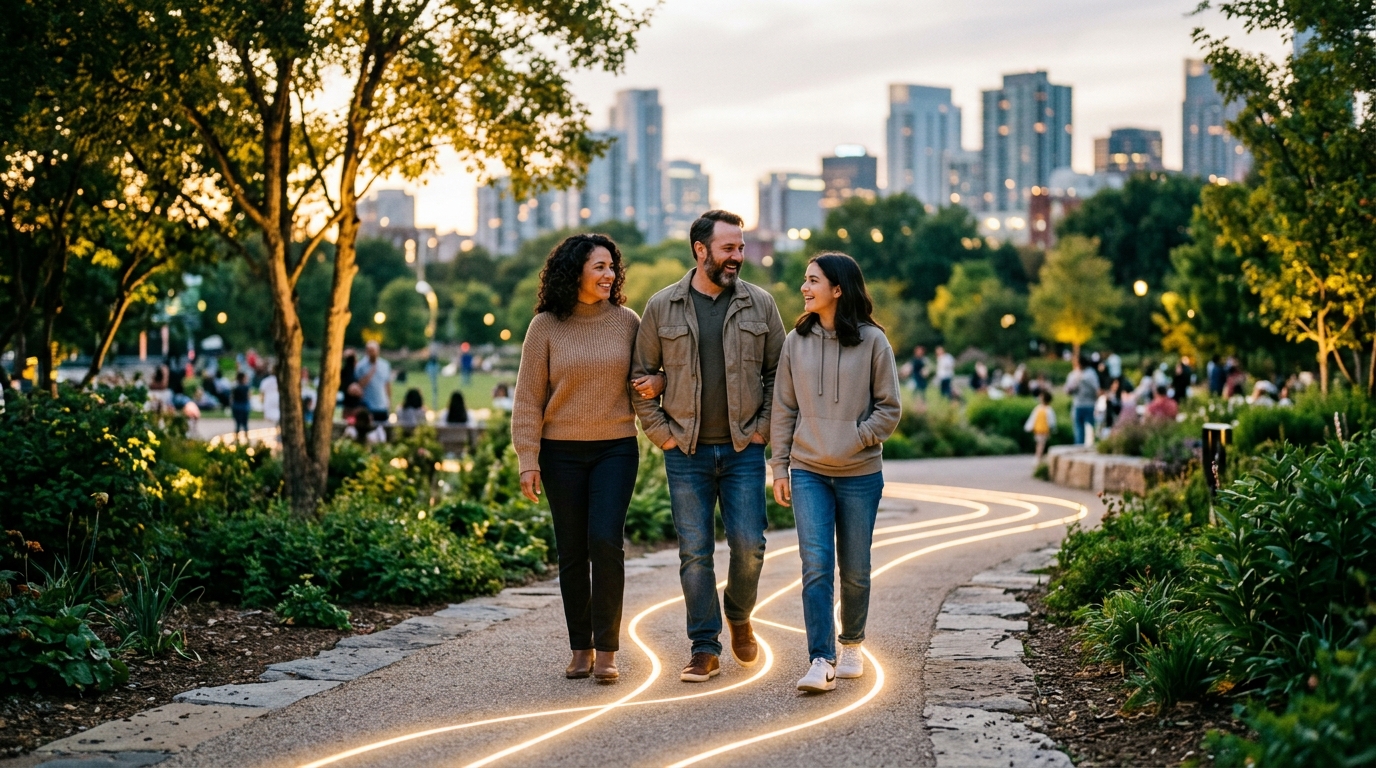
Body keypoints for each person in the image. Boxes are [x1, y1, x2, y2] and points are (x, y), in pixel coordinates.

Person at [631, 209, 787, 684]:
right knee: (694, 552)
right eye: (729, 248)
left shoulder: (760, 305)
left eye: (740, 247)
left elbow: (780, 374)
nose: (738, 256)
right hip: (687, 453)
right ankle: (704, 646)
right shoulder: (662, 307)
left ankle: (739, 614)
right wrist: (663, 435)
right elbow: (639, 378)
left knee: (749, 545)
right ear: (701, 250)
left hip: (743, 450)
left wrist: (761, 428)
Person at [513, 233, 657, 684]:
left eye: (612, 267)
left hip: (615, 446)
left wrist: (659, 384)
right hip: (560, 453)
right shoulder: (546, 327)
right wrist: (528, 458)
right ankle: (581, 647)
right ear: (574, 271)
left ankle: (609, 649)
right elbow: (528, 398)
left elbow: (647, 378)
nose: (609, 274)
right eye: (600, 267)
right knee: (572, 550)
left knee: (605, 541)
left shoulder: (627, 321)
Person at [769, 253, 901, 693]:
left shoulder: (873, 342)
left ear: (838, 289)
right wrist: (780, 466)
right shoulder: (796, 341)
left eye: (813, 281)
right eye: (804, 281)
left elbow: (889, 408)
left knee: (856, 568)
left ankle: (852, 644)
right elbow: (784, 408)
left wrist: (857, 437)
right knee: (816, 566)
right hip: (808, 470)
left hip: (860, 473)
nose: (804, 289)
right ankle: (820, 658)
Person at [355, 341, 392, 424]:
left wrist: (389, 401)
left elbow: (387, 384)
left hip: (382, 405)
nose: (372, 353)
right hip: (367, 405)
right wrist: (371, 372)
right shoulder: (361, 366)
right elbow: (359, 385)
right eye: (370, 350)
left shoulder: (385, 365)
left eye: (373, 350)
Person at [1066, 354, 1100, 445]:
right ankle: (1081, 447)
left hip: (1086, 404)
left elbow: (1097, 390)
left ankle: (1085, 447)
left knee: (1086, 430)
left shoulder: (1089, 374)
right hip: (1081, 404)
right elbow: (1067, 390)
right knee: (1082, 430)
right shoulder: (1075, 374)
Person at [1024, 390, 1057, 464]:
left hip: (1043, 430)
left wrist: (1052, 429)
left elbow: (1051, 421)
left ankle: (1038, 457)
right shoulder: (1041, 409)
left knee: (1040, 444)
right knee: (1040, 444)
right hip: (1039, 429)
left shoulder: (1047, 409)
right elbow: (1033, 419)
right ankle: (1039, 457)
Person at [230, 372, 251, 441]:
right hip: (244, 406)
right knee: (245, 424)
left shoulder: (235, 387)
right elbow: (248, 396)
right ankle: (247, 439)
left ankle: (237, 439)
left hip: (236, 406)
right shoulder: (246, 387)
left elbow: (232, 398)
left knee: (237, 424)